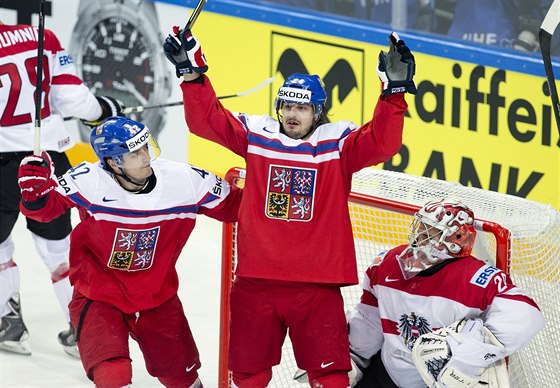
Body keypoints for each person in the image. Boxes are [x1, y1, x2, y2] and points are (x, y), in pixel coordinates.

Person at [163, 24, 417, 387]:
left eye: (302, 107)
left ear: (318, 111)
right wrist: (191, 73)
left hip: (316, 287)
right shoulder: (258, 135)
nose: (293, 114)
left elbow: (382, 142)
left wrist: (393, 94)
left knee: (331, 376)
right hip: (256, 281)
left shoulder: (337, 143)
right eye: (287, 105)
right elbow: (206, 121)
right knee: (248, 374)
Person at [17, 116, 241, 387]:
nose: (146, 156)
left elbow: (240, 208)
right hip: (99, 296)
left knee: (182, 377)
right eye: (135, 152)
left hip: (157, 296)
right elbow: (44, 209)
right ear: (113, 162)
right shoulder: (89, 180)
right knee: (113, 375)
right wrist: (34, 190)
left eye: (146, 146)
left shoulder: (186, 180)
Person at [0, 21, 123, 357]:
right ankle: (85, 331)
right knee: (60, 252)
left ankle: (8, 324)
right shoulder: (42, 35)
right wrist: (104, 111)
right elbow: (72, 99)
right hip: (48, 161)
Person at [346, 198, 545, 387]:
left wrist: (470, 350)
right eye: (420, 229)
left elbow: (527, 315)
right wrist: (354, 356)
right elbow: (369, 317)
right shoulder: (388, 264)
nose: (418, 238)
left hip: (440, 381)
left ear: (456, 240)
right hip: (387, 375)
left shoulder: (478, 278)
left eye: (429, 233)